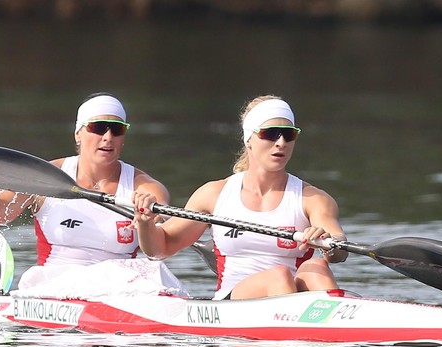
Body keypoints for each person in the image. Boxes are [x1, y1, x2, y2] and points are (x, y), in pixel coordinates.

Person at [0, 93, 184, 296]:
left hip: (119, 293)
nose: (108, 137)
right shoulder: (42, 178)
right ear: (78, 134)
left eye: (117, 129)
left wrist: (145, 223)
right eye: (98, 127)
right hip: (53, 289)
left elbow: (157, 251)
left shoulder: (146, 188)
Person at [133, 95, 347, 300]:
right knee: (278, 276)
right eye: (270, 134)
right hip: (233, 302)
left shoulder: (313, 198)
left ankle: (337, 328)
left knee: (316, 267)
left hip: (289, 296)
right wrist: (145, 223)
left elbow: (338, 247)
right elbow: (160, 248)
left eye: (288, 134)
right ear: (249, 140)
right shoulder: (214, 194)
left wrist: (328, 244)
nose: (281, 142)